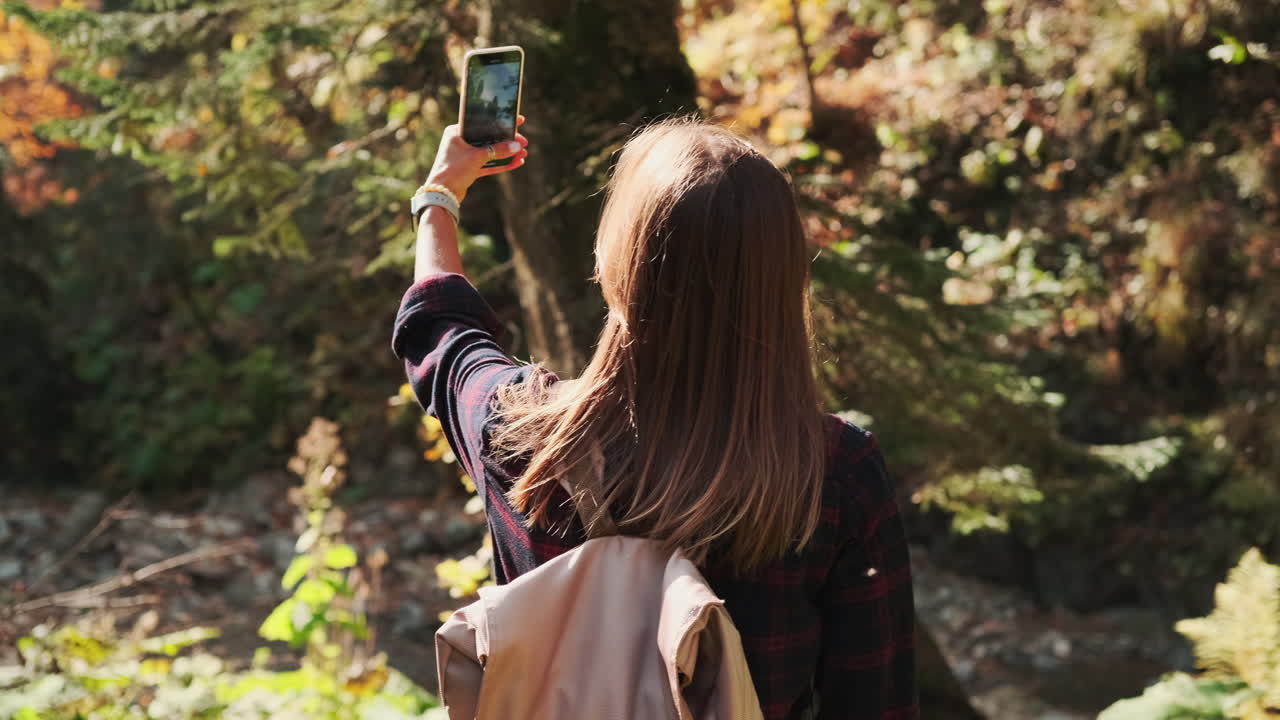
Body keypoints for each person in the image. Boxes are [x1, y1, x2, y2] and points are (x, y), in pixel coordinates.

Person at [392, 115, 919, 720]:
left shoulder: (518, 433)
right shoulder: (833, 472)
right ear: (786, 278)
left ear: (615, 266)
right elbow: (877, 704)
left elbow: (441, 330)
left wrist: (440, 196)